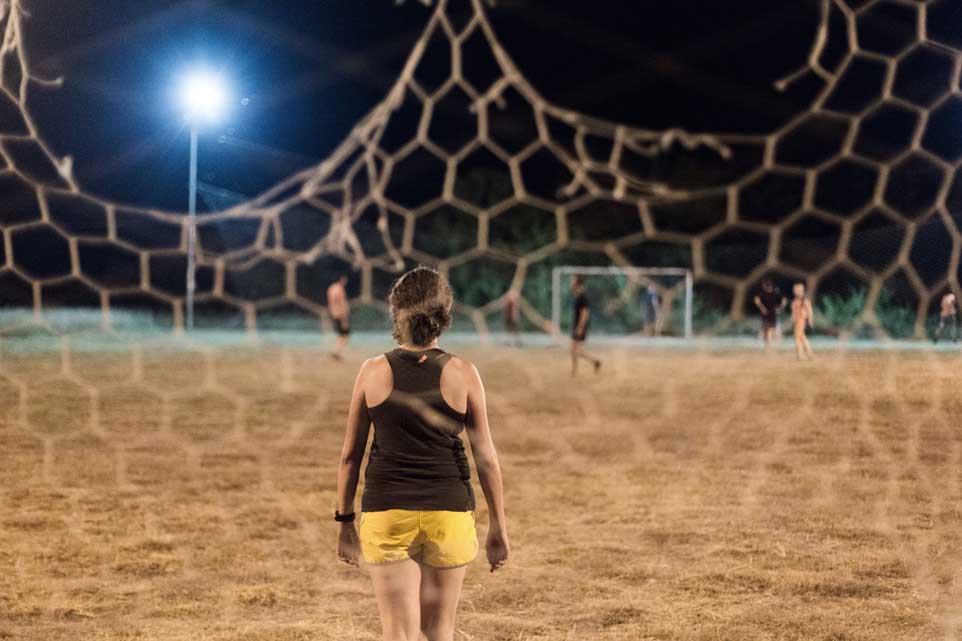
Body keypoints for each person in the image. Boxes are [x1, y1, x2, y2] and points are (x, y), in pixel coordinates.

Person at [335, 266, 510, 641]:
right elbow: (487, 459)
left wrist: (345, 521)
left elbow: (350, 457)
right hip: (449, 514)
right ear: (444, 315)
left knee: (398, 634)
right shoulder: (463, 372)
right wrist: (498, 526)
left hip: (387, 513)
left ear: (395, 312)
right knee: (438, 631)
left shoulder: (371, 371)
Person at [570, 275, 602, 376]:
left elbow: (585, 313)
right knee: (573, 349)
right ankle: (576, 369)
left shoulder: (582, 296)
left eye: (572, 280)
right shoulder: (578, 295)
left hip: (580, 326)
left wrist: (580, 328)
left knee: (575, 349)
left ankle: (594, 362)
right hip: (577, 325)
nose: (571, 282)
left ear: (577, 282)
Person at [753, 279, 787, 351]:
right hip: (765, 315)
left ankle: (772, 345)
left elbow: (784, 300)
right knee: (766, 330)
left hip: (773, 314)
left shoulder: (776, 293)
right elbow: (756, 299)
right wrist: (762, 308)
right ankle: (767, 345)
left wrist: (780, 308)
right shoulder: (763, 293)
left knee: (772, 330)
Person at [327, 274, 351, 360]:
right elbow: (342, 303)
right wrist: (345, 316)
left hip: (333, 314)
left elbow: (331, 302)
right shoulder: (340, 289)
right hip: (340, 315)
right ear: (342, 279)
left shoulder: (331, 288)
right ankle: (336, 352)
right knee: (345, 336)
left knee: (341, 335)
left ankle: (336, 351)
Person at [790, 282, 814, 361]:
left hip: (801, 320)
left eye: (796, 290)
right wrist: (793, 320)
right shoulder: (796, 300)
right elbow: (794, 312)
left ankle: (800, 355)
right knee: (802, 338)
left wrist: (810, 320)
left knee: (797, 338)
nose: (794, 291)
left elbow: (810, 311)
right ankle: (809, 354)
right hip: (797, 321)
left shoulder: (804, 300)